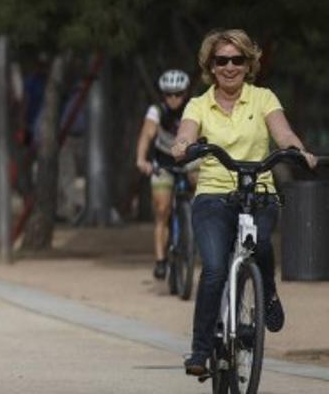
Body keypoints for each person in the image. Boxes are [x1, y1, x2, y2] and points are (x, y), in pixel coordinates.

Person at [171, 29, 317, 376]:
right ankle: (200, 350)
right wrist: (182, 145)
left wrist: (297, 151)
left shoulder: (263, 98)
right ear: (211, 66)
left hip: (259, 192)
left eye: (237, 60)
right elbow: (187, 134)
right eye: (222, 60)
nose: (230, 67)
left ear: (249, 63)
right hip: (214, 196)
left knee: (261, 244)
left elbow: (282, 133)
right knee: (215, 269)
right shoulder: (198, 104)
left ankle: (267, 293)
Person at [135, 69, 192, 280]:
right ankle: (160, 260)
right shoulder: (156, 111)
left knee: (202, 181)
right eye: (169, 94)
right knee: (162, 208)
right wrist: (142, 160)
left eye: (178, 94)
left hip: (188, 161)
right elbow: (146, 135)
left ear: (185, 94)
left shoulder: (194, 109)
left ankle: (193, 226)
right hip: (163, 162)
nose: (173, 98)